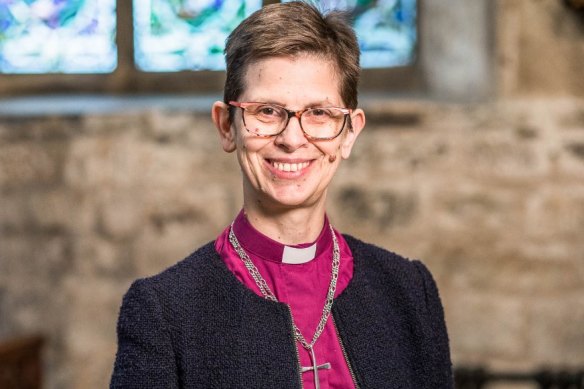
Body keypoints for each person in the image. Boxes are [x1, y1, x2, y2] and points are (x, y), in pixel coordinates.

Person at [110, 2, 453, 388]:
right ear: (227, 126)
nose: (292, 139)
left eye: (319, 113)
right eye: (267, 111)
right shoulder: (164, 311)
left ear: (349, 133)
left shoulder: (409, 291)